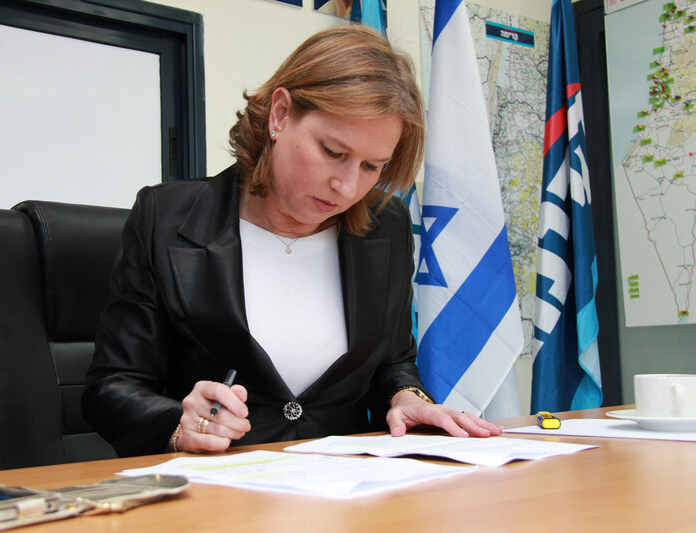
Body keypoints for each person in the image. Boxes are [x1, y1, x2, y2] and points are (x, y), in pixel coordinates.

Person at [82, 25, 502, 457]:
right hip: (217, 494)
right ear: (280, 114)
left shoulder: (386, 224)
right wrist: (178, 425)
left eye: (372, 167)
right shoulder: (166, 217)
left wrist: (406, 398)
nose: (346, 186)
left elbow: (392, 363)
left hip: (348, 493)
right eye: (333, 152)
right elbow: (111, 387)